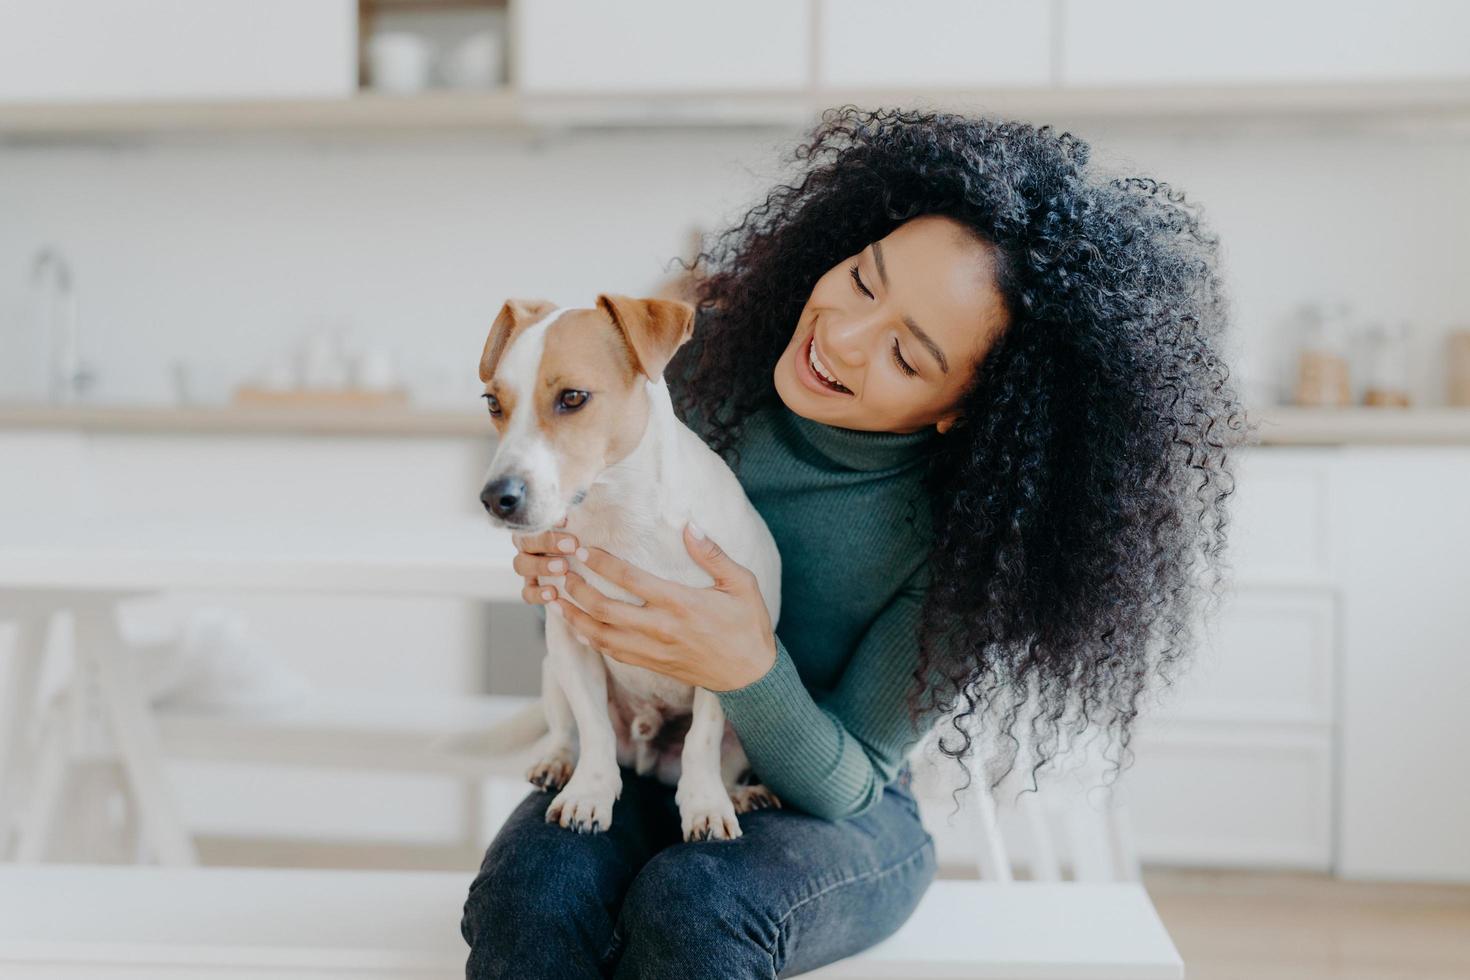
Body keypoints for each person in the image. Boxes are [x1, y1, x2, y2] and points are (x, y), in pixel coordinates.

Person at [461, 105, 1246, 978]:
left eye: (908, 358)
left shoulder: (968, 543)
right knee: (529, 897)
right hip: (655, 749)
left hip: (846, 814)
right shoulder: (688, 368)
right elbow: (596, 602)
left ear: (966, 408)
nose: (839, 336)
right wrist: (560, 571)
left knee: (693, 906)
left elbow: (848, 782)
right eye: (864, 281)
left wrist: (749, 667)